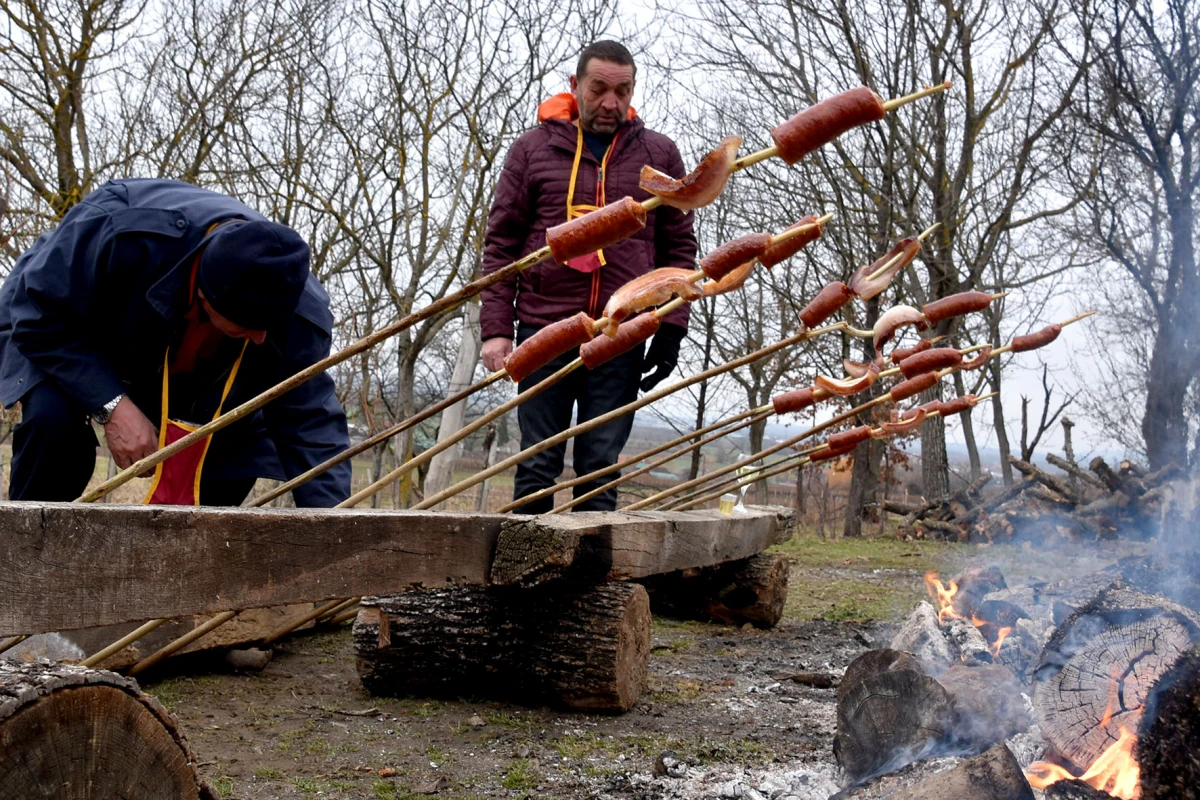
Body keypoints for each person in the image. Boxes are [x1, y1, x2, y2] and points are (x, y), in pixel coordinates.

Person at [0, 178, 351, 507]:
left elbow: (311, 425)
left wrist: (338, 530)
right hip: (57, 317)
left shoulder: (298, 312)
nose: (261, 338)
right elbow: (36, 317)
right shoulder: (121, 231)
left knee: (236, 453)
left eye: (269, 328)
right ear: (205, 295)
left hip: (183, 365)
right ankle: (29, 543)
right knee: (54, 422)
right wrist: (111, 404)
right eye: (248, 326)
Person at [480, 40, 698, 513]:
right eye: (598, 89)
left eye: (622, 91)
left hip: (621, 332)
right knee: (537, 462)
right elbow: (501, 245)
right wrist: (496, 329)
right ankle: (525, 558)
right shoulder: (532, 150)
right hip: (544, 330)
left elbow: (679, 249)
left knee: (600, 466)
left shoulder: (660, 154)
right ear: (575, 85)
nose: (610, 103)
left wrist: (671, 328)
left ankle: (593, 562)